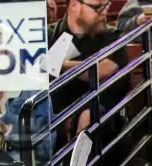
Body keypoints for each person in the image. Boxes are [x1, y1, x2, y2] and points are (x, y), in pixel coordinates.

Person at [47, 0, 127, 136]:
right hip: (53, 118)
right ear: (74, 6)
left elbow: (100, 71)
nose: (105, 12)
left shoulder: (114, 38)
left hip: (99, 116)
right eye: (98, 8)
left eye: (106, 6)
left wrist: (57, 64)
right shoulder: (47, 37)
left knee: (88, 115)